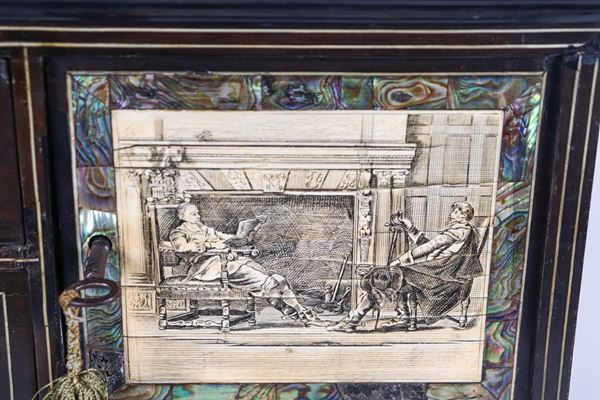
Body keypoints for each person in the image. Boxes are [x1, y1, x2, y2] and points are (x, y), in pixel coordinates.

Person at [329, 201, 483, 332]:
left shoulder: (459, 232)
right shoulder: (463, 232)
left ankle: (353, 320)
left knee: (385, 277)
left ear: (464, 216)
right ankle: (402, 314)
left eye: (456, 212)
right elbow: (428, 245)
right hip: (437, 272)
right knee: (391, 276)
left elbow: (428, 247)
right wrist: (410, 227)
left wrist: (400, 260)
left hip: (439, 277)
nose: (452, 214)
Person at [169, 202, 322, 325]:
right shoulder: (178, 232)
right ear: (183, 216)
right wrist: (209, 245)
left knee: (279, 279)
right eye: (193, 214)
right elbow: (181, 247)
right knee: (267, 282)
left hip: (230, 263)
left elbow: (227, 238)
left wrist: (245, 232)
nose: (198, 216)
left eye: (198, 213)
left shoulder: (205, 229)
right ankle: (298, 311)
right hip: (208, 267)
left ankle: (293, 310)